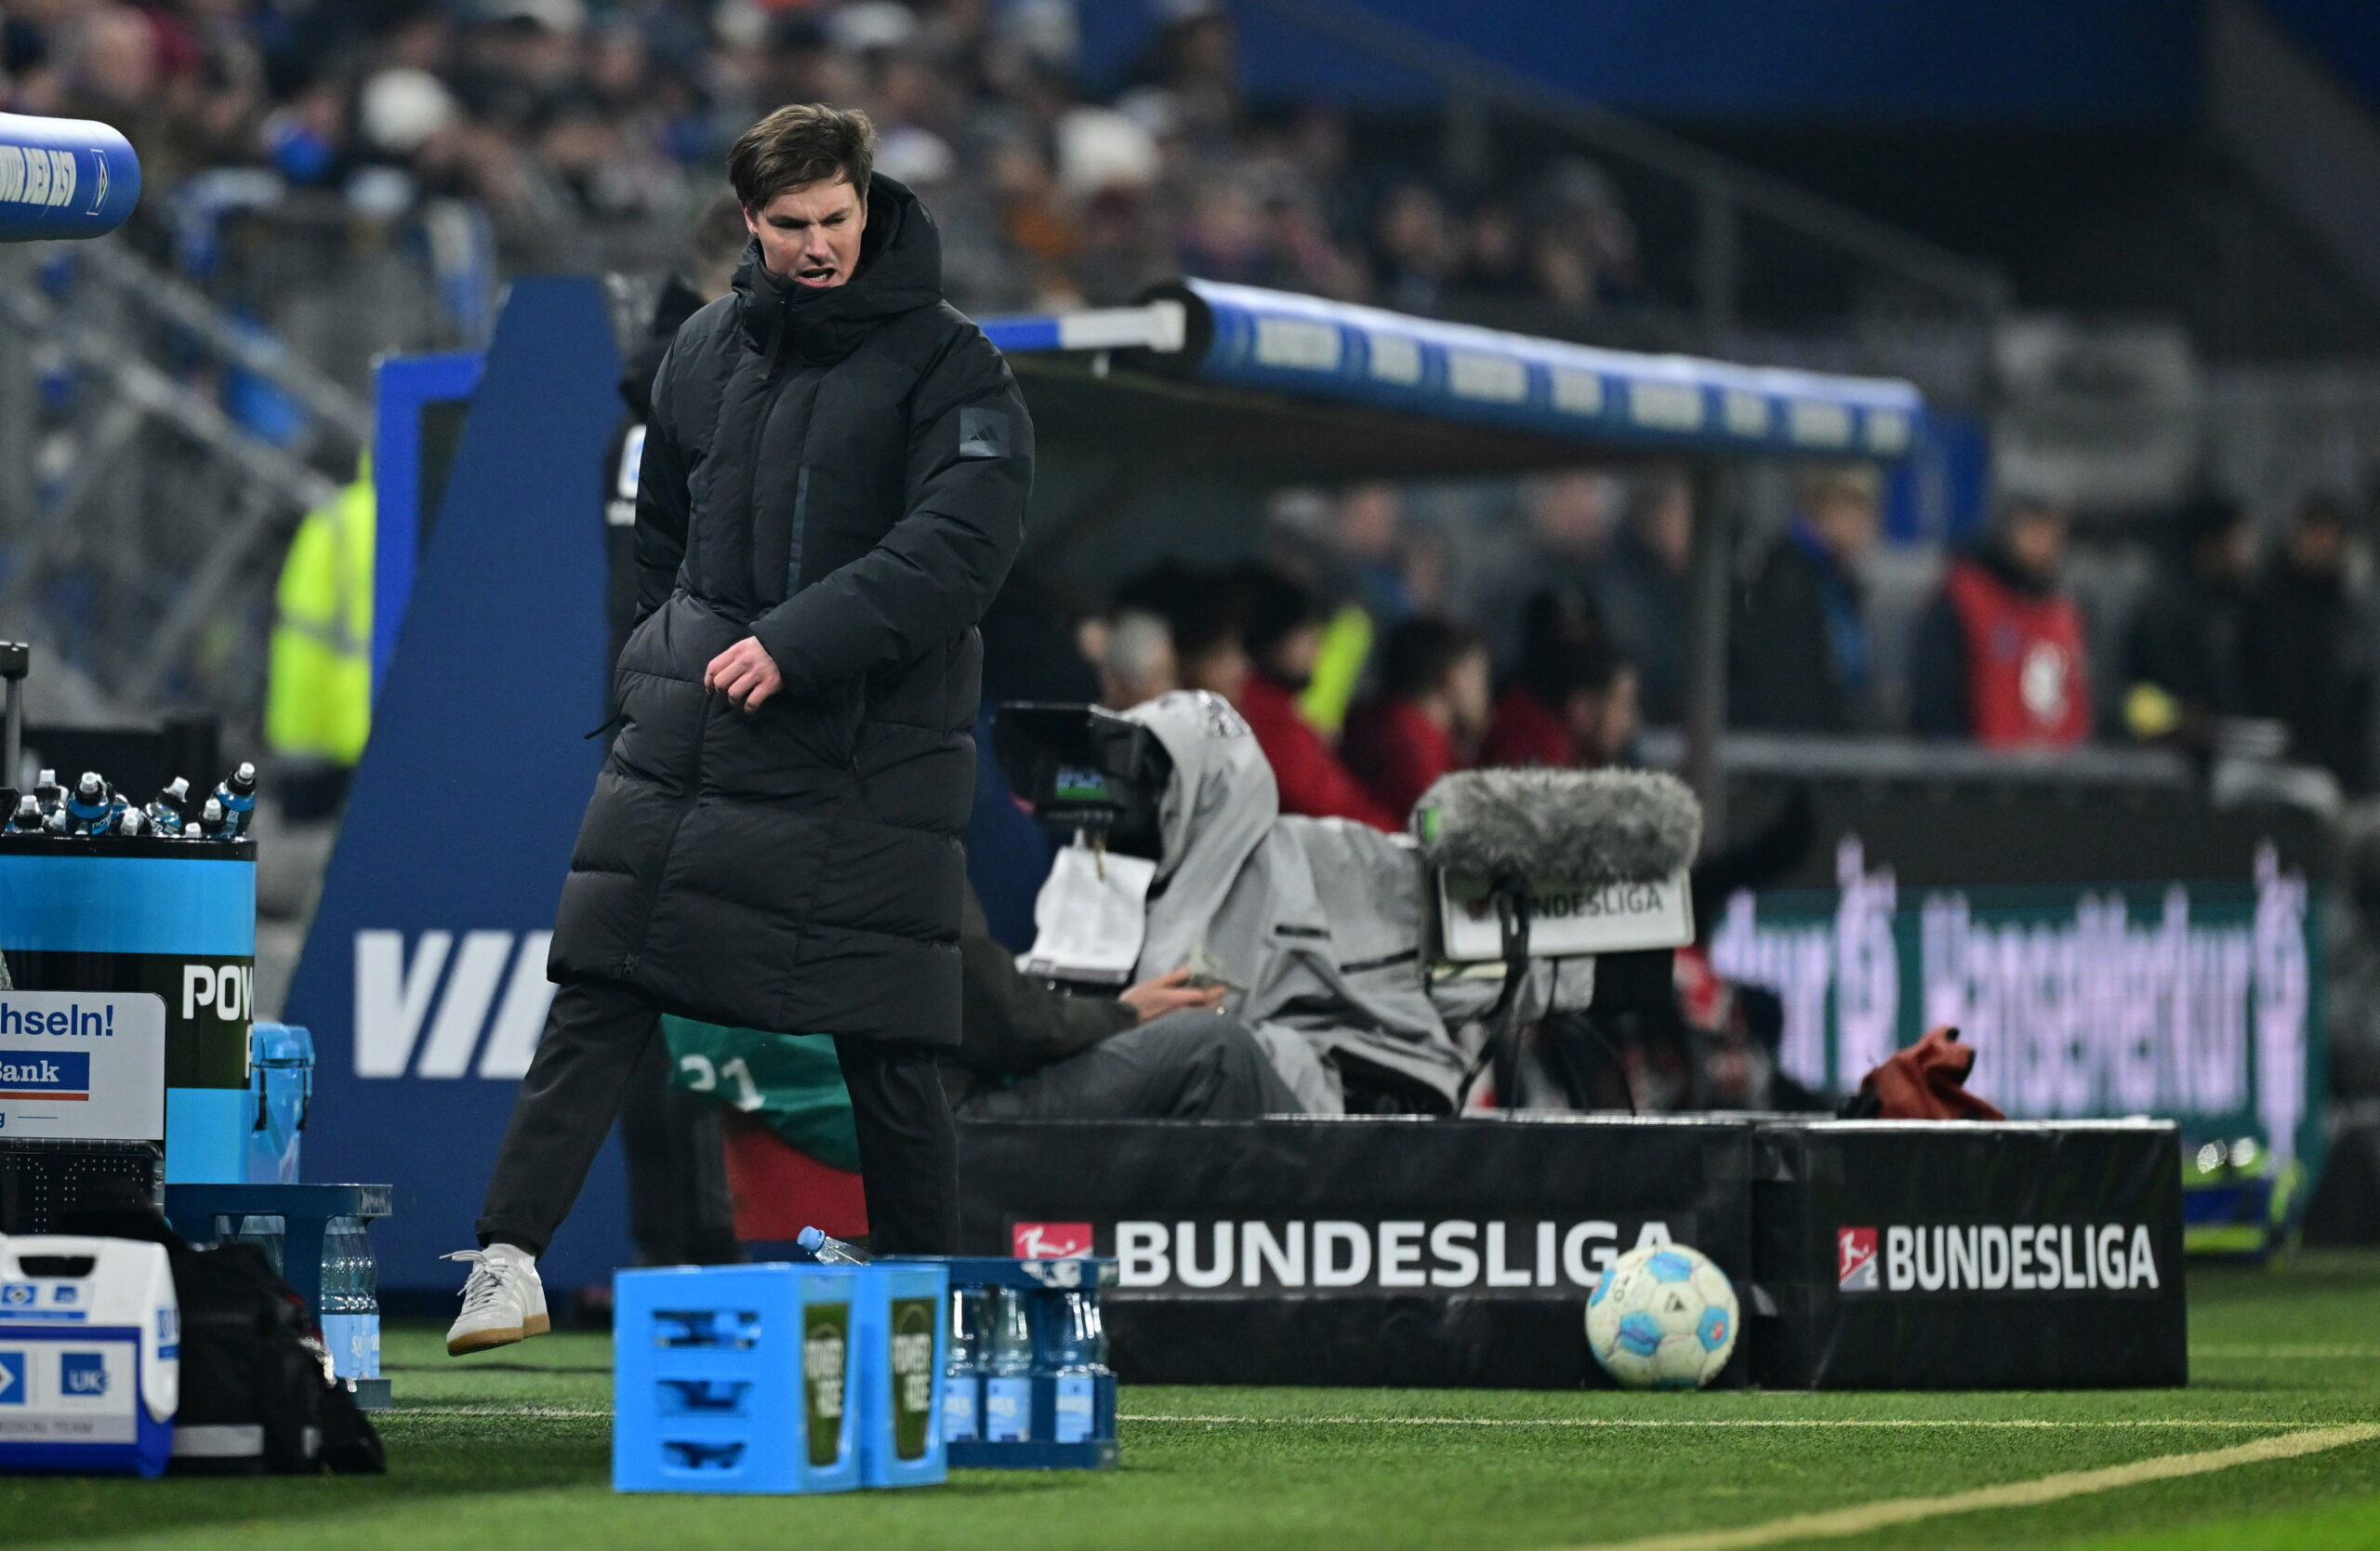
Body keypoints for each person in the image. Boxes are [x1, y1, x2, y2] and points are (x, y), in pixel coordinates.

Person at [447, 103, 1031, 1354]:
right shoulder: (702, 352)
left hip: (872, 745)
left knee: (890, 1034)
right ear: (750, 224)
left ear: (866, 206)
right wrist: (674, 653)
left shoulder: (955, 364)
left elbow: (962, 550)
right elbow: (665, 535)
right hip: (705, 724)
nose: (818, 244)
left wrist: (802, 640)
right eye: (790, 225)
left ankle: (921, 1300)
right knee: (602, 982)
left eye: (835, 218)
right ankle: (508, 1261)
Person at [606, 191, 762, 1272]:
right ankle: (695, 1254)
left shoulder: (652, 397)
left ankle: (685, 1254)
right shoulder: (696, 401)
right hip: (696, 732)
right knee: (674, 1001)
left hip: (656, 725)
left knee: (644, 998)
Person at [947, 888, 1302, 1119]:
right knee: (1216, 1048)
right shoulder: (917, 852)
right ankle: (1346, 1220)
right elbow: (1013, 1024)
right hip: (949, 1125)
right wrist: (1124, 1014)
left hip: (909, 1120)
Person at [1906, 496, 2091, 749]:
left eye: (2051, 535)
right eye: (2032, 531)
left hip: (2058, 774)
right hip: (1980, 774)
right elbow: (1937, 697)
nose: (2042, 545)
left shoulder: (2063, 612)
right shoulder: (1962, 601)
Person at [1231, 564, 1398, 829]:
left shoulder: (1279, 715)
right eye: (1306, 631)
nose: (1318, 644)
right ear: (1273, 639)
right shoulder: (1272, 725)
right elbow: (1332, 808)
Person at [1730, 462, 1881, 733]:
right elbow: (1788, 685)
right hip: (1797, 748)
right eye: (1852, 508)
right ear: (1819, 508)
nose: (1865, 523)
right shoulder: (1788, 579)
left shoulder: (1839, 583)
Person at [2241, 492, 2373, 792]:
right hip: (2270, 757)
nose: (2322, 545)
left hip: (2335, 763)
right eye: (2315, 534)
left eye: (2330, 536)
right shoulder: (2265, 604)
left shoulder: (2346, 608)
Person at [2123, 493, 2255, 748]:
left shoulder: (2238, 605)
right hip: (2179, 756)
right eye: (2238, 540)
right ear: (2211, 546)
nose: (2246, 552)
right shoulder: (2169, 613)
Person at [1341, 616, 1491, 822]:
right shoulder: (1413, 754)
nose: (1484, 693)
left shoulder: (1381, 727)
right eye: (1479, 678)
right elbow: (1429, 834)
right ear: (1453, 679)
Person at [1593, 471, 1691, 724]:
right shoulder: (1622, 589)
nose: (1690, 527)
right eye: (1681, 513)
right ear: (1654, 517)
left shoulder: (1696, 584)